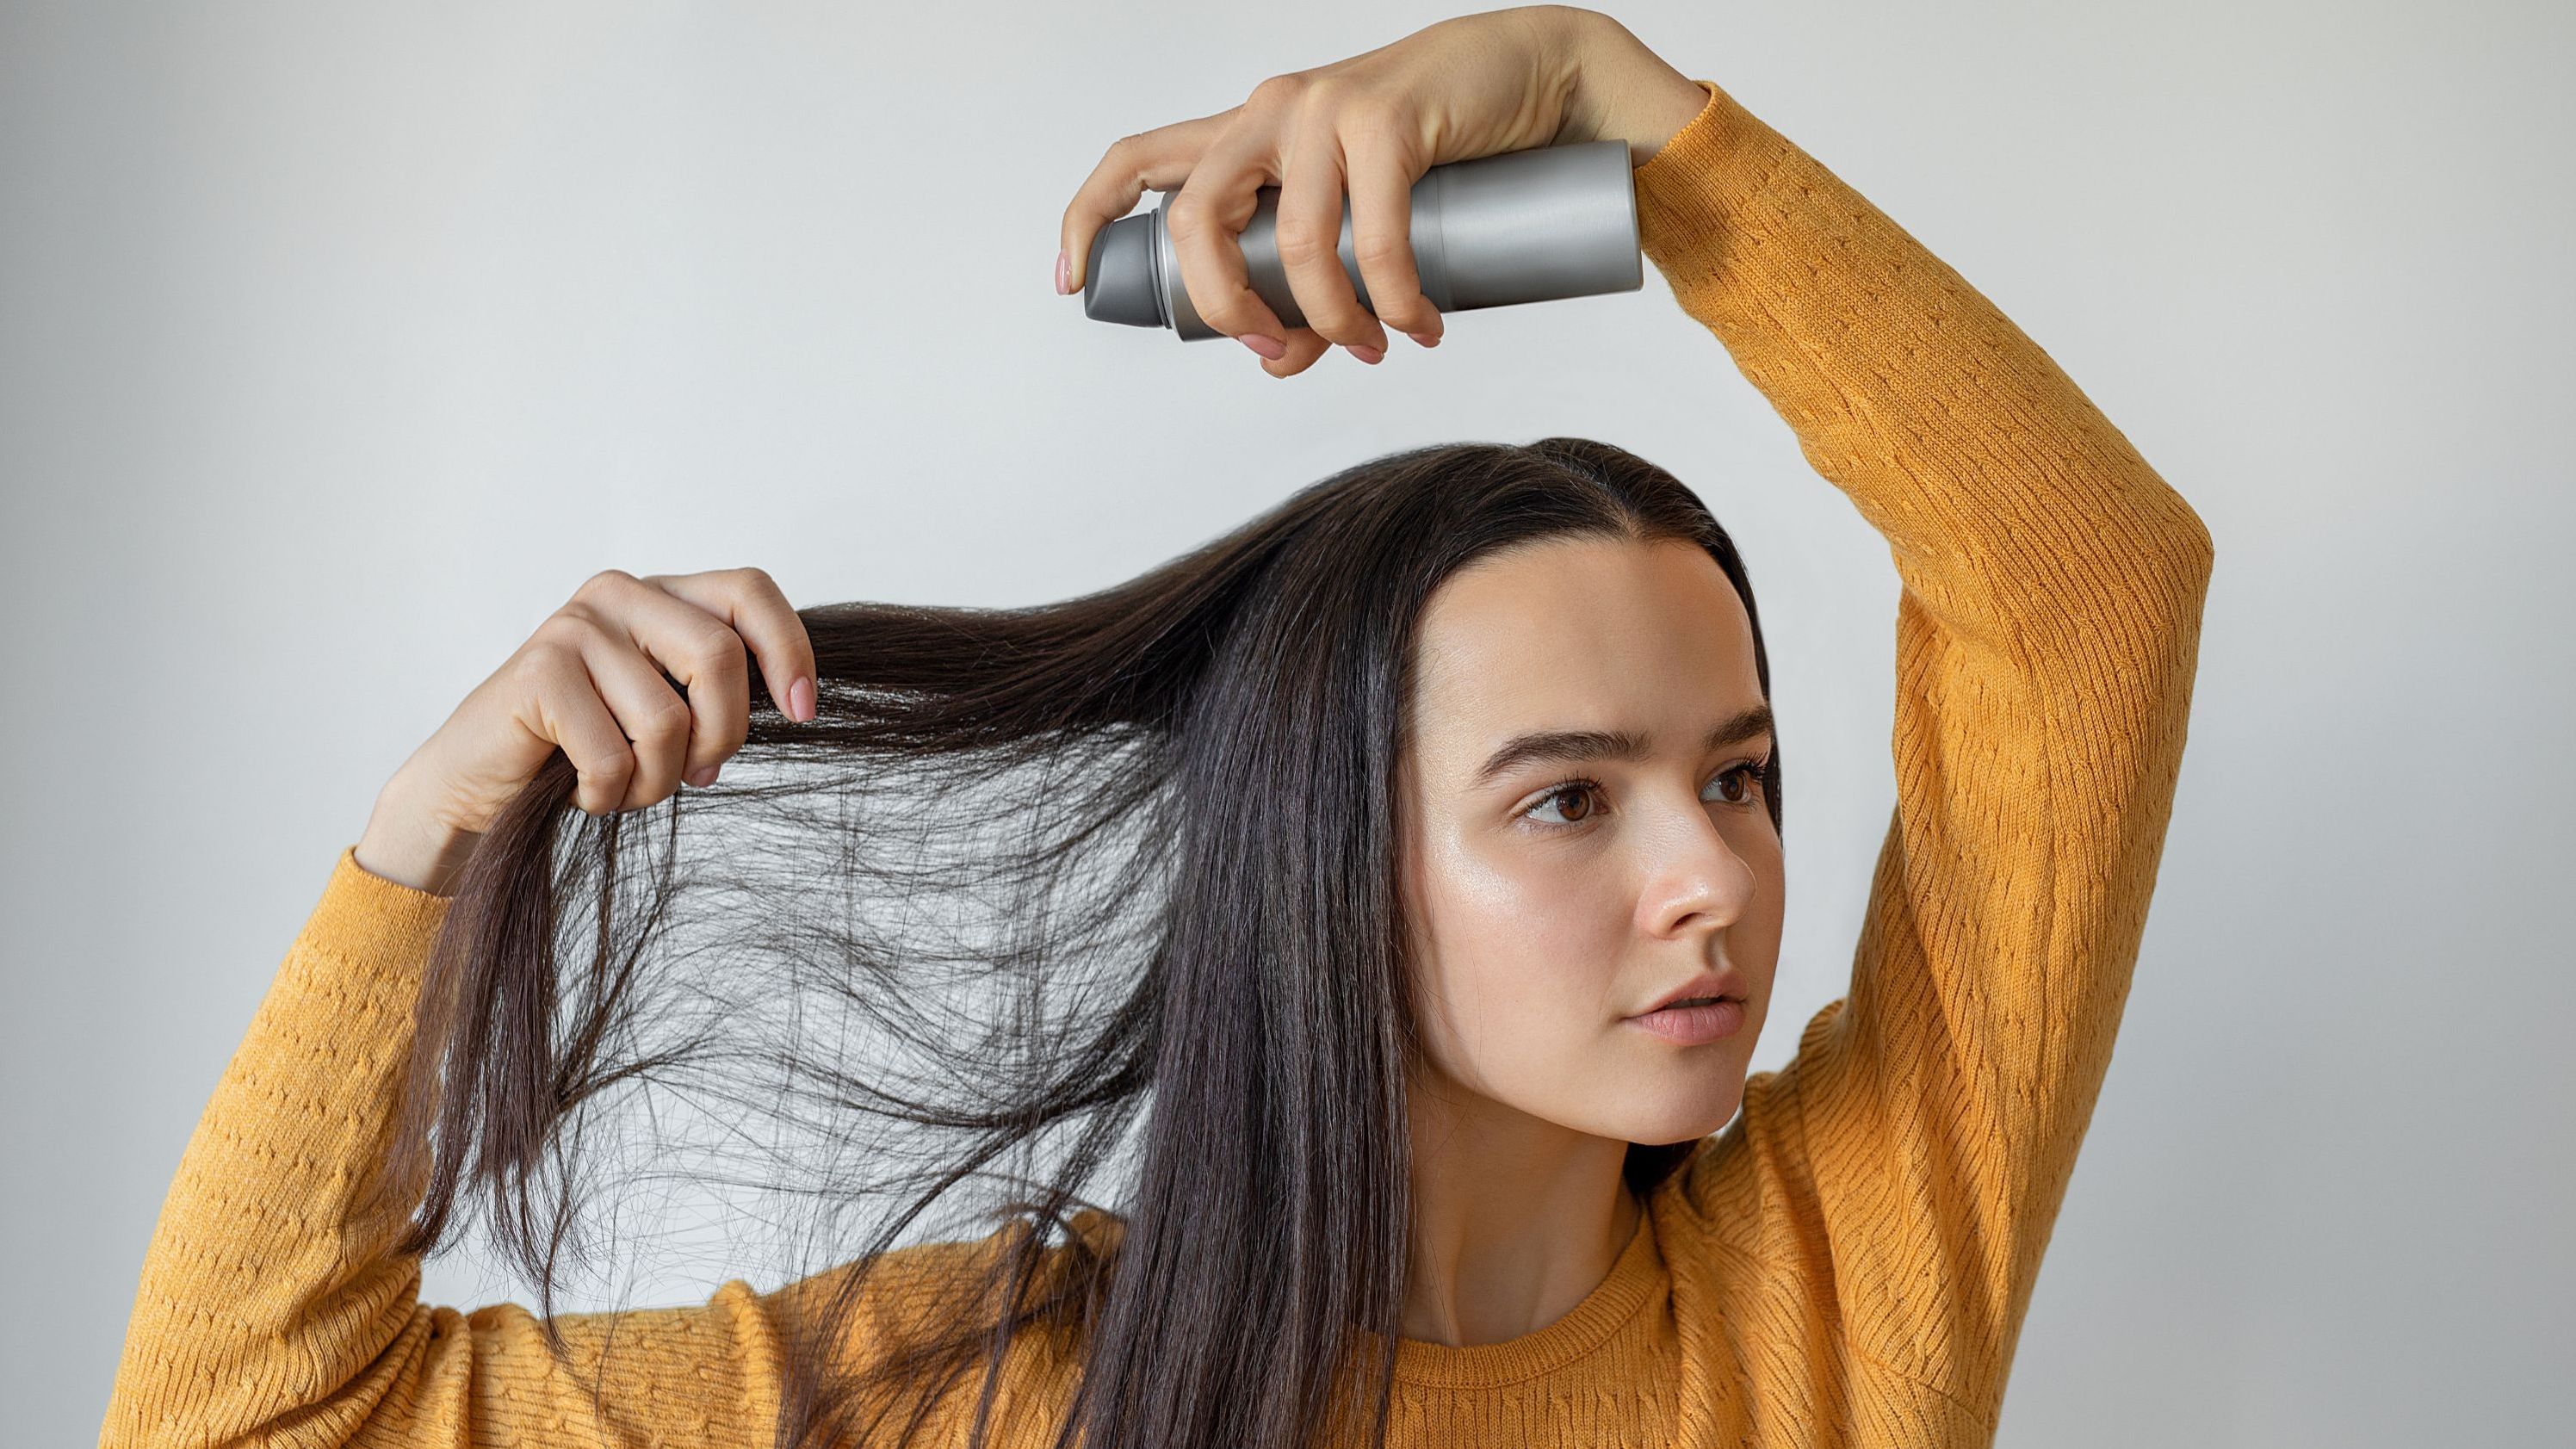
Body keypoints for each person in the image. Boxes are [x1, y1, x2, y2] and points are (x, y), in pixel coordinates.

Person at [99, 7, 2214, 1448]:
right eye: (1566, 794)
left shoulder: (1834, 1292)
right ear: (1324, 862)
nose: (1715, 878)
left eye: (1735, 776)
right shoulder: (1007, 1387)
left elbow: (2087, 599)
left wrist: (1618, 103)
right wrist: (430, 850)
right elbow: (235, 1417)